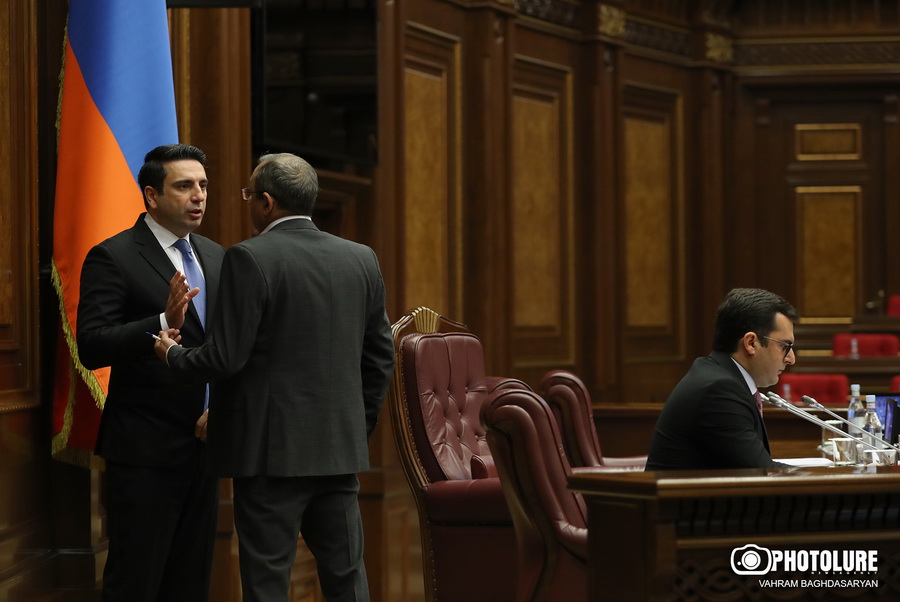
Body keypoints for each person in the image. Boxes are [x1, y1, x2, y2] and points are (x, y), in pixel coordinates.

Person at [154, 152, 395, 602]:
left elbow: (226, 358)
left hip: (269, 460)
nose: (247, 202)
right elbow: (381, 358)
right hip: (338, 453)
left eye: (249, 194)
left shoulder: (249, 257)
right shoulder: (361, 258)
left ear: (266, 202)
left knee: (267, 585)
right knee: (347, 580)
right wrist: (353, 428)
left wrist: (173, 354)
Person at [76, 144, 224, 601]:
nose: (198, 195)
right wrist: (162, 321)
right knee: (136, 583)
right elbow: (92, 344)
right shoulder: (114, 255)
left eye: (203, 185)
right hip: (145, 451)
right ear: (152, 195)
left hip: (207, 446)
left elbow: (230, 347)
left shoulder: (217, 256)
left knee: (190, 584)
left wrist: (224, 405)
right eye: (184, 186)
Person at [645, 288, 798, 471]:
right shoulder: (719, 390)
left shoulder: (719, 376)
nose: (791, 359)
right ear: (751, 343)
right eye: (785, 346)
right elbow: (762, 471)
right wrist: (821, 477)